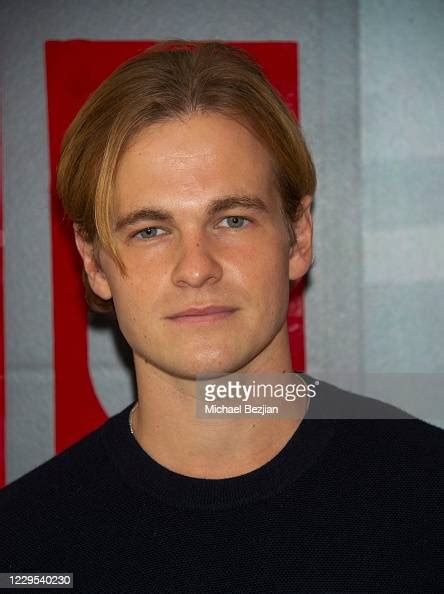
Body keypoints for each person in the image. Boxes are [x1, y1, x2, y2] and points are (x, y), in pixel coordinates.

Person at [0, 40, 442, 593]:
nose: (196, 268)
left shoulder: (430, 498)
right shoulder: (23, 548)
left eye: (232, 220)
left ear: (298, 235)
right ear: (94, 262)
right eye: (150, 231)